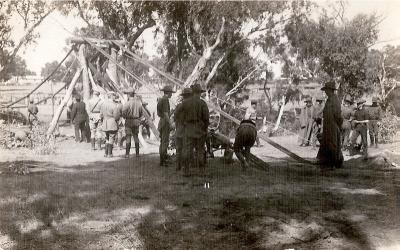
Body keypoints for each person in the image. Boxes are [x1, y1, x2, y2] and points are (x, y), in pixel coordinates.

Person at [182, 83, 210, 175]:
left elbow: (179, 116)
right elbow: (206, 118)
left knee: (187, 150)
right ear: (200, 93)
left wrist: (185, 125)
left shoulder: (185, 103)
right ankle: (201, 171)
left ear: (192, 92)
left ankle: (186, 170)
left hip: (189, 129)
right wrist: (205, 129)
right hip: (199, 129)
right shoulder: (202, 103)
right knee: (200, 150)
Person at [317, 81, 344, 168]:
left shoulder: (335, 100)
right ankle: (327, 162)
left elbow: (338, 115)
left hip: (333, 126)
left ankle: (334, 163)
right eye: (325, 90)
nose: (325, 92)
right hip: (327, 126)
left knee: (333, 144)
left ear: (330, 90)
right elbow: (325, 112)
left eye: (326, 90)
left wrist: (337, 126)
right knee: (326, 143)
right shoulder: (328, 100)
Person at [174, 88, 192, 171]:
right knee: (186, 148)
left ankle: (178, 166)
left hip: (179, 129)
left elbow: (175, 117)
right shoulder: (191, 105)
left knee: (179, 148)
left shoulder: (179, 105)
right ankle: (185, 167)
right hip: (187, 129)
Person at [122, 88, 143, 157]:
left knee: (128, 137)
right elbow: (141, 113)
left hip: (128, 121)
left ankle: (127, 154)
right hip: (136, 121)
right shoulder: (139, 103)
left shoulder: (127, 104)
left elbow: (123, 113)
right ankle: (137, 154)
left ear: (128, 95)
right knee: (136, 137)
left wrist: (126, 117)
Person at [157, 85, 175, 167]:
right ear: (168, 92)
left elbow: (165, 113)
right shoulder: (165, 100)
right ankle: (163, 160)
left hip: (162, 121)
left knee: (162, 142)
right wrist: (170, 123)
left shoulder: (162, 99)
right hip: (164, 122)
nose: (172, 94)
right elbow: (165, 114)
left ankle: (162, 159)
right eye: (171, 92)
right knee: (165, 142)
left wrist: (172, 112)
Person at [100, 92, 120, 158]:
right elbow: (116, 116)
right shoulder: (114, 105)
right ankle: (109, 154)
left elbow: (101, 115)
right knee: (111, 138)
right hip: (112, 122)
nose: (114, 97)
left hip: (105, 123)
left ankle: (105, 153)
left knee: (107, 138)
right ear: (112, 96)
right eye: (114, 96)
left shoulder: (103, 104)